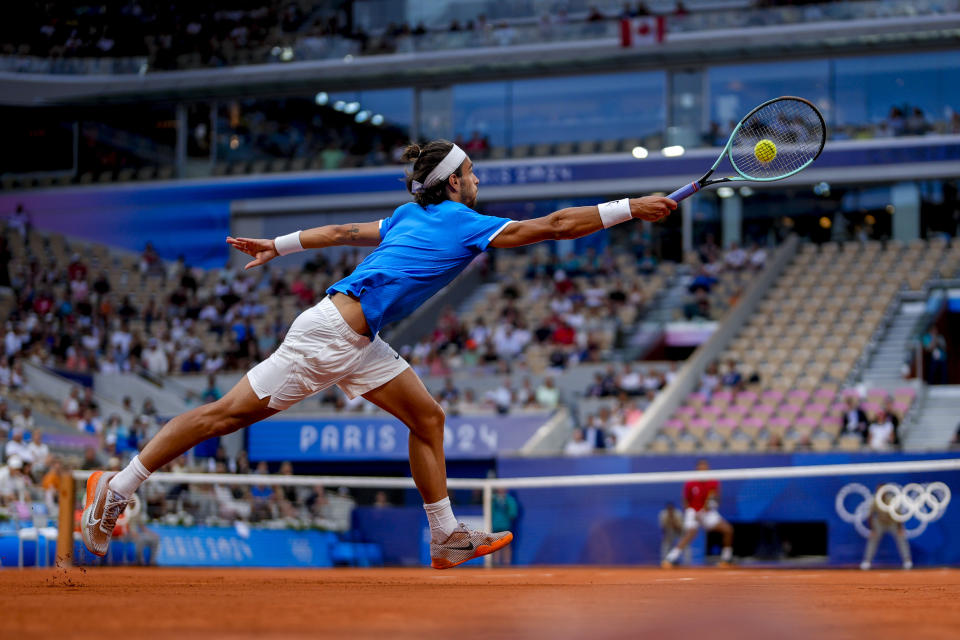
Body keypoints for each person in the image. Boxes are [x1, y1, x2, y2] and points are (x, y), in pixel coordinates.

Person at [79, 138, 677, 568]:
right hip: (327, 337)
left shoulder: (409, 214)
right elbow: (553, 225)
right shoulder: (462, 223)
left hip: (359, 342)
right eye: (470, 173)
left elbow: (341, 234)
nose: (476, 179)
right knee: (223, 416)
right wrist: (631, 207)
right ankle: (118, 485)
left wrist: (278, 245)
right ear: (451, 184)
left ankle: (445, 538)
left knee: (427, 418)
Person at [662, 460, 734, 568]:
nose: (703, 470)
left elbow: (717, 499)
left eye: (705, 468)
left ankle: (726, 559)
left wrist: (712, 503)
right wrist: (692, 512)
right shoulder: (690, 483)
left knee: (728, 530)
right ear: (697, 469)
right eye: (701, 468)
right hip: (693, 511)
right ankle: (670, 558)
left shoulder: (714, 482)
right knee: (691, 533)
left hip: (708, 513)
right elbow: (685, 500)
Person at [860, 484, 912, 571]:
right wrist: (872, 530)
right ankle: (866, 562)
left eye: (882, 489)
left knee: (901, 537)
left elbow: (898, 514)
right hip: (880, 523)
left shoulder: (891, 499)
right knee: (873, 539)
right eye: (878, 490)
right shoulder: (875, 499)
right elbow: (870, 515)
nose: (880, 491)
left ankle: (907, 561)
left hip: (892, 522)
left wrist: (900, 528)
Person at [491, 488, 519, 566]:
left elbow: (513, 513)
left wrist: (506, 502)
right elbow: (489, 511)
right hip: (495, 525)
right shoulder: (492, 499)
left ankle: (507, 562)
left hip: (505, 525)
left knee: (506, 544)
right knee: (495, 544)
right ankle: (495, 562)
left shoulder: (509, 499)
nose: (501, 489)